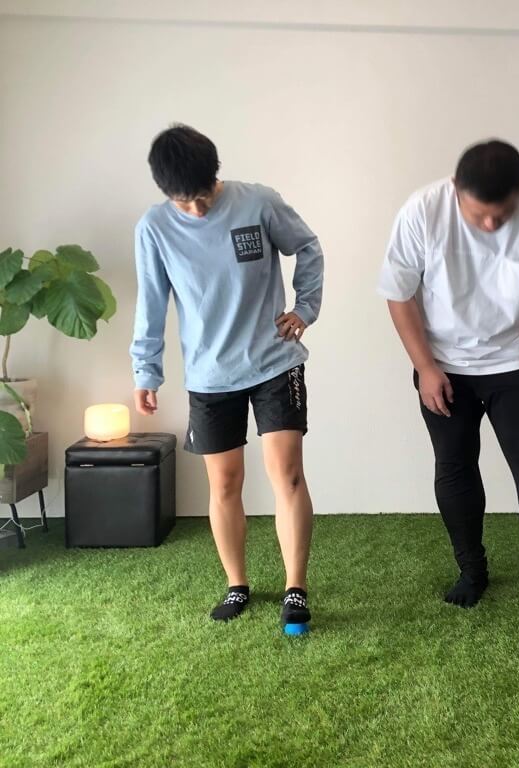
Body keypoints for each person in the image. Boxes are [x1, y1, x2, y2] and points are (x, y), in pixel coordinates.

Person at [378, 139, 519, 626]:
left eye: (504, 214)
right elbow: (398, 293)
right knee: (454, 466)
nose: (492, 225)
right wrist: (426, 367)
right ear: (456, 189)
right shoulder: (423, 211)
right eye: (480, 215)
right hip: (442, 365)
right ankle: (472, 571)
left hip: (515, 361)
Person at [130, 124, 323, 631]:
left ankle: (296, 588)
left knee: (288, 474)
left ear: (215, 175)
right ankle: (237, 584)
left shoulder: (258, 203)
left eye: (203, 196)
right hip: (210, 375)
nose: (196, 210)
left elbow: (308, 246)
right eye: (183, 202)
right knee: (225, 483)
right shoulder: (154, 228)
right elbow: (151, 303)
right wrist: (146, 370)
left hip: (274, 362)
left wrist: (305, 307)